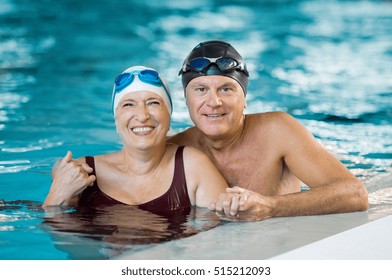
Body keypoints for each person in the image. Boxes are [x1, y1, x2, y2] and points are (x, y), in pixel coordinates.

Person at [169, 40, 369, 220]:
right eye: (201, 89)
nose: (214, 102)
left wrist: (270, 206)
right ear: (187, 100)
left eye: (226, 89)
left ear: (244, 99)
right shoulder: (175, 150)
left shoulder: (278, 131)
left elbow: (354, 193)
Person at [42, 66, 232, 217]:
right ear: (116, 121)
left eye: (153, 103)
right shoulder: (80, 174)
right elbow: (60, 243)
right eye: (128, 104)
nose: (142, 116)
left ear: (169, 117)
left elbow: (228, 235)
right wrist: (56, 195)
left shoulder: (193, 167)